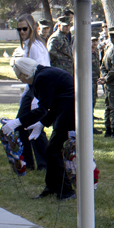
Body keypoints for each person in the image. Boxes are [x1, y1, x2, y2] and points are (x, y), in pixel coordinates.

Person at [5, 57, 76, 200]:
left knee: (54, 150)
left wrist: (17, 122)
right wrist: (41, 123)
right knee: (51, 151)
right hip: (62, 109)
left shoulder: (42, 77)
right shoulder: (39, 77)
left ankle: (66, 191)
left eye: (18, 75)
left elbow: (43, 109)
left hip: (69, 110)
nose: (19, 79)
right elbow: (50, 105)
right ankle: (52, 186)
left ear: (24, 74)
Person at [14, 13, 50, 169]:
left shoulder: (35, 47)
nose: (22, 32)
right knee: (23, 125)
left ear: (32, 28)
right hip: (31, 90)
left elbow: (40, 72)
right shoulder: (28, 45)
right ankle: (31, 162)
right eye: (19, 29)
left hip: (38, 89)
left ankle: (44, 162)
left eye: (25, 29)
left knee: (32, 125)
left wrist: (35, 99)